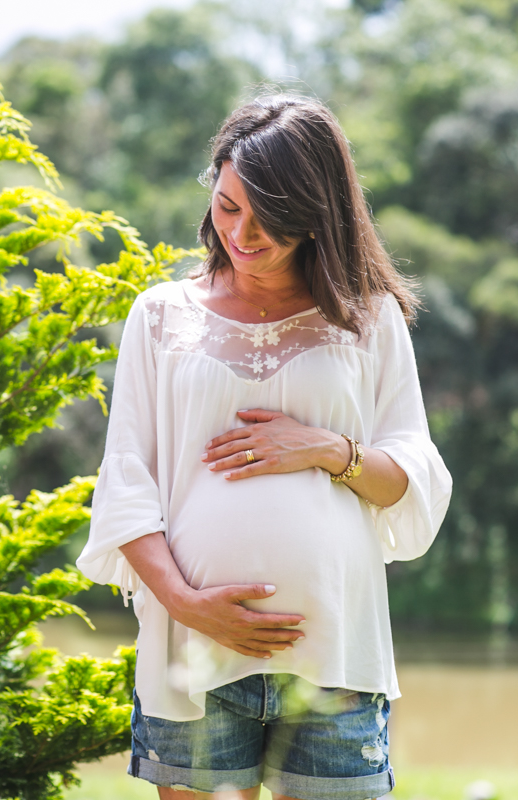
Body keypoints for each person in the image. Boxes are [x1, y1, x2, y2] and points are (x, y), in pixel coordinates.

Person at [76, 94, 452, 800]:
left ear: (316, 212)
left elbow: (410, 479)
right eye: (227, 207)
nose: (242, 233)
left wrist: (324, 447)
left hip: (337, 653)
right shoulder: (160, 315)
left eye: (268, 216)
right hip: (194, 648)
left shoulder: (368, 319)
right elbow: (127, 480)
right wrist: (185, 603)